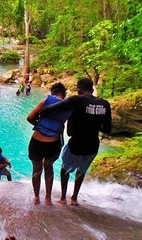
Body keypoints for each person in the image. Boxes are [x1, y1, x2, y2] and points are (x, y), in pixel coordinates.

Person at [41, 78, 112, 206]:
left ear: (79, 88)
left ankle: (63, 198)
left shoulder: (76, 100)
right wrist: (94, 124)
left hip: (76, 145)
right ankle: (74, 198)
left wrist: (42, 114)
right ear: (92, 89)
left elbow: (52, 110)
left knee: (65, 170)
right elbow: (107, 129)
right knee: (82, 171)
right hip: (92, 147)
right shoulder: (105, 104)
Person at [27, 82, 71, 205]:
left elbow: (30, 117)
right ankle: (48, 198)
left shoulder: (47, 100)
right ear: (64, 94)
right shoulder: (68, 106)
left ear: (53, 92)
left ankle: (36, 197)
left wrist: (40, 126)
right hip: (53, 143)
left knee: (36, 169)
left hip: (37, 141)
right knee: (48, 167)